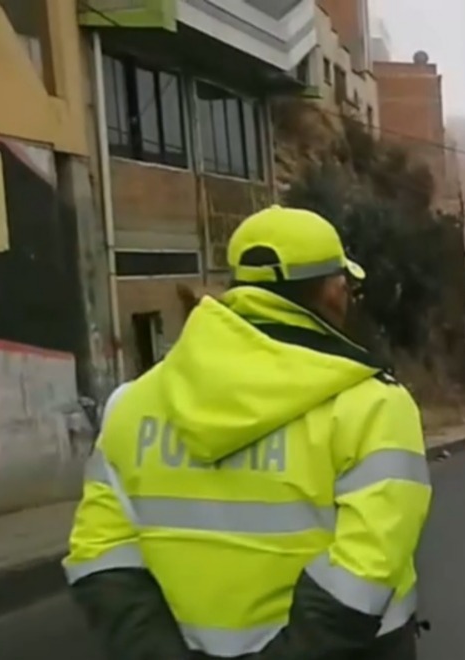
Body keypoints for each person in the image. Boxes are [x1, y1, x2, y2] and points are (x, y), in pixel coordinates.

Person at [63, 205, 430, 660]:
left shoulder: (132, 403)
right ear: (335, 291)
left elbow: (100, 552)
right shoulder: (374, 406)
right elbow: (367, 568)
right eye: (347, 287)